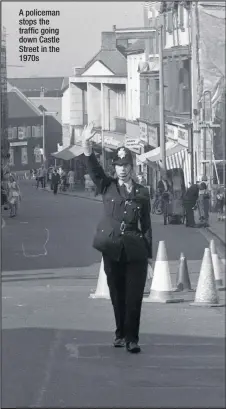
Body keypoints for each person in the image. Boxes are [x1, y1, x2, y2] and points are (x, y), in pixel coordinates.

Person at [83, 123, 152, 354]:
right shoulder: (107, 186)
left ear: (132, 167)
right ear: (114, 167)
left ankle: (132, 339)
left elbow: (147, 225)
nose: (122, 169)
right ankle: (120, 333)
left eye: (126, 165)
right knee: (117, 294)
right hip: (112, 248)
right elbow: (93, 170)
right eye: (118, 165)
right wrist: (86, 145)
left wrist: (149, 256)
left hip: (135, 250)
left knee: (134, 297)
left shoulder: (142, 192)